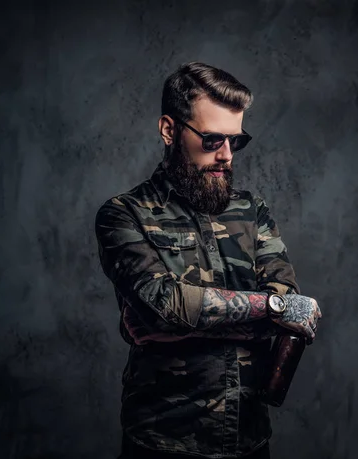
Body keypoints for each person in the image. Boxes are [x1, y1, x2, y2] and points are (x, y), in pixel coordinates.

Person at [95, 62, 322, 459]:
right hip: (162, 442)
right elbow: (165, 306)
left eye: (237, 141)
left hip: (249, 439)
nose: (227, 155)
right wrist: (269, 308)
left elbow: (291, 302)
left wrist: (175, 324)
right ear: (169, 130)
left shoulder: (253, 210)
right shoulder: (123, 214)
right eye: (213, 139)